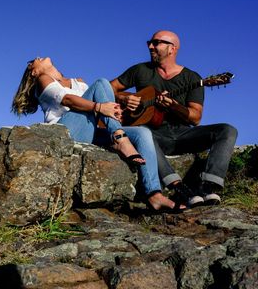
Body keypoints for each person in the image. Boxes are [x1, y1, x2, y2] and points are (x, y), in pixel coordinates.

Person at [12, 56, 181, 212]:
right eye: (33, 61)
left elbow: (100, 108)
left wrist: (115, 110)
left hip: (88, 132)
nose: (38, 57)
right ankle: (120, 138)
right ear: (34, 71)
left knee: (143, 133)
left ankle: (154, 194)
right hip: (65, 132)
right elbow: (68, 100)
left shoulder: (79, 82)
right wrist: (99, 107)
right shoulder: (42, 80)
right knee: (101, 82)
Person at [110, 30, 238, 207]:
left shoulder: (192, 78)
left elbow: (195, 118)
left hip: (183, 135)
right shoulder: (140, 70)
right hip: (152, 136)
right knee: (144, 134)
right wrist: (123, 98)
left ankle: (208, 186)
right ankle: (178, 187)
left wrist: (174, 106)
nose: (150, 46)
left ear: (172, 49)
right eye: (150, 42)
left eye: (156, 43)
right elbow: (108, 88)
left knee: (227, 130)